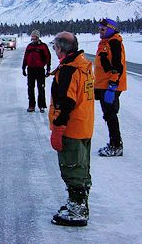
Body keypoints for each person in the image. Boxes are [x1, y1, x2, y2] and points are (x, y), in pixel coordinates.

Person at [49, 31, 94, 227]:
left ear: (61, 48)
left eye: (55, 47)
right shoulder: (83, 65)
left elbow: (66, 102)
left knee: (72, 169)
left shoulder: (69, 70)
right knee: (82, 169)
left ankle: (77, 210)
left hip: (71, 129)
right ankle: (79, 204)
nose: (54, 50)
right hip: (84, 126)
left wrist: (58, 128)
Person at [94, 18, 127, 157]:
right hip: (103, 84)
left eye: (103, 29)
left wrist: (112, 86)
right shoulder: (105, 42)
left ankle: (116, 146)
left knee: (110, 114)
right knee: (108, 115)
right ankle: (114, 143)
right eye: (99, 29)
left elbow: (117, 66)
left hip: (110, 86)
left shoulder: (114, 42)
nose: (100, 32)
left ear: (110, 29)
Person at [22, 30, 51, 112]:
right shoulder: (29, 46)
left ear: (38, 37)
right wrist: (23, 68)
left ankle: (41, 106)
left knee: (41, 88)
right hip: (31, 70)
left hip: (40, 70)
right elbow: (25, 57)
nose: (33, 38)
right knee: (30, 88)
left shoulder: (43, 46)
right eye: (32, 37)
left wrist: (48, 69)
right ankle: (31, 106)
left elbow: (48, 58)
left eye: (34, 37)